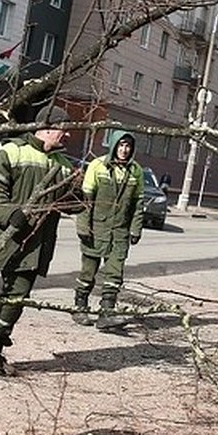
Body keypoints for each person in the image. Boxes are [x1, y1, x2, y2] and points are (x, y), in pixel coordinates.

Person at [0, 104, 83, 376]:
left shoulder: (63, 164)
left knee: (17, 295)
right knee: (16, 293)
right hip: (11, 239)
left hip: (38, 244)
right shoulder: (13, 151)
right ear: (46, 127)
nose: (67, 136)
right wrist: (11, 214)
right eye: (63, 130)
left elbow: (72, 201)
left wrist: (80, 199)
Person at [73, 130, 146, 331]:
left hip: (119, 232)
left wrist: (135, 229)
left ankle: (107, 313)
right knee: (88, 272)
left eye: (128, 146)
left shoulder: (136, 171)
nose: (124, 150)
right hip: (96, 229)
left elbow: (138, 204)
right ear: (114, 145)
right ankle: (80, 307)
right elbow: (85, 200)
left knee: (115, 273)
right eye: (121, 145)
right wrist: (83, 225)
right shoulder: (98, 166)